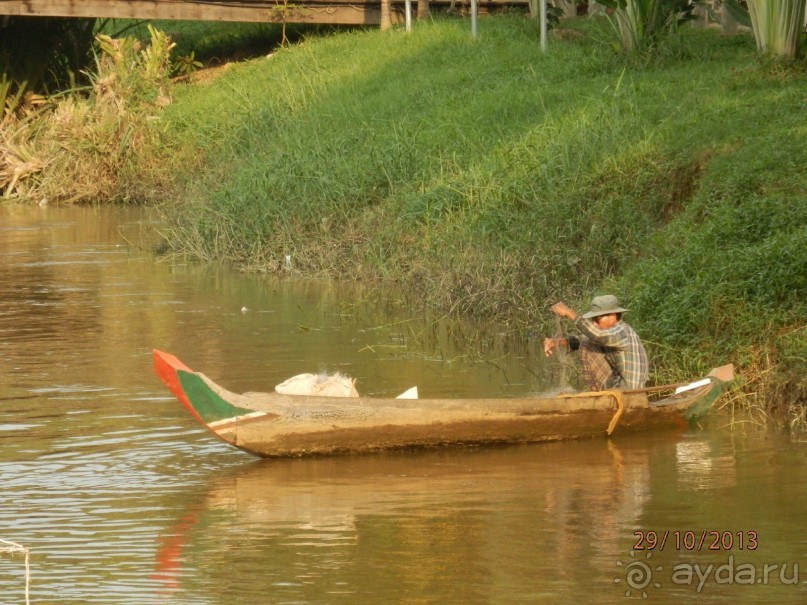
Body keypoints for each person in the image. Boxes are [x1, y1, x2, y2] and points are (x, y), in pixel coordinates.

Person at [543, 295, 648, 391]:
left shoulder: (621, 332)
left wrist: (569, 312)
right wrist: (556, 342)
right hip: (622, 386)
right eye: (594, 319)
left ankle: (595, 395)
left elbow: (596, 335)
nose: (594, 323)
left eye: (598, 319)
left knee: (585, 345)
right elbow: (583, 338)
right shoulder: (617, 332)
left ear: (613, 316)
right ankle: (597, 394)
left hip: (626, 390)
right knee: (586, 342)